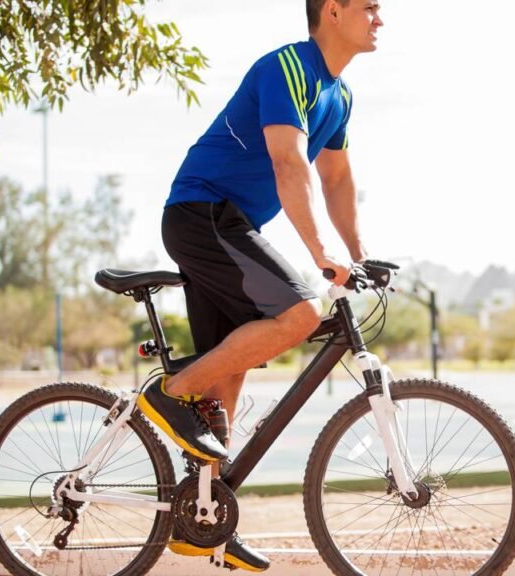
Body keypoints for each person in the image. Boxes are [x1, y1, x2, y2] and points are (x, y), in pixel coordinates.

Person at [139, 0, 383, 570]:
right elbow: (288, 161)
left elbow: (337, 176)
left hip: (229, 221)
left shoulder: (338, 95)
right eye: (370, 7)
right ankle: (166, 395)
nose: (380, 18)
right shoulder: (289, 68)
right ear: (334, 11)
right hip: (203, 211)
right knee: (300, 315)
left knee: (227, 380)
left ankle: (201, 525)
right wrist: (320, 254)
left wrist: (360, 254)